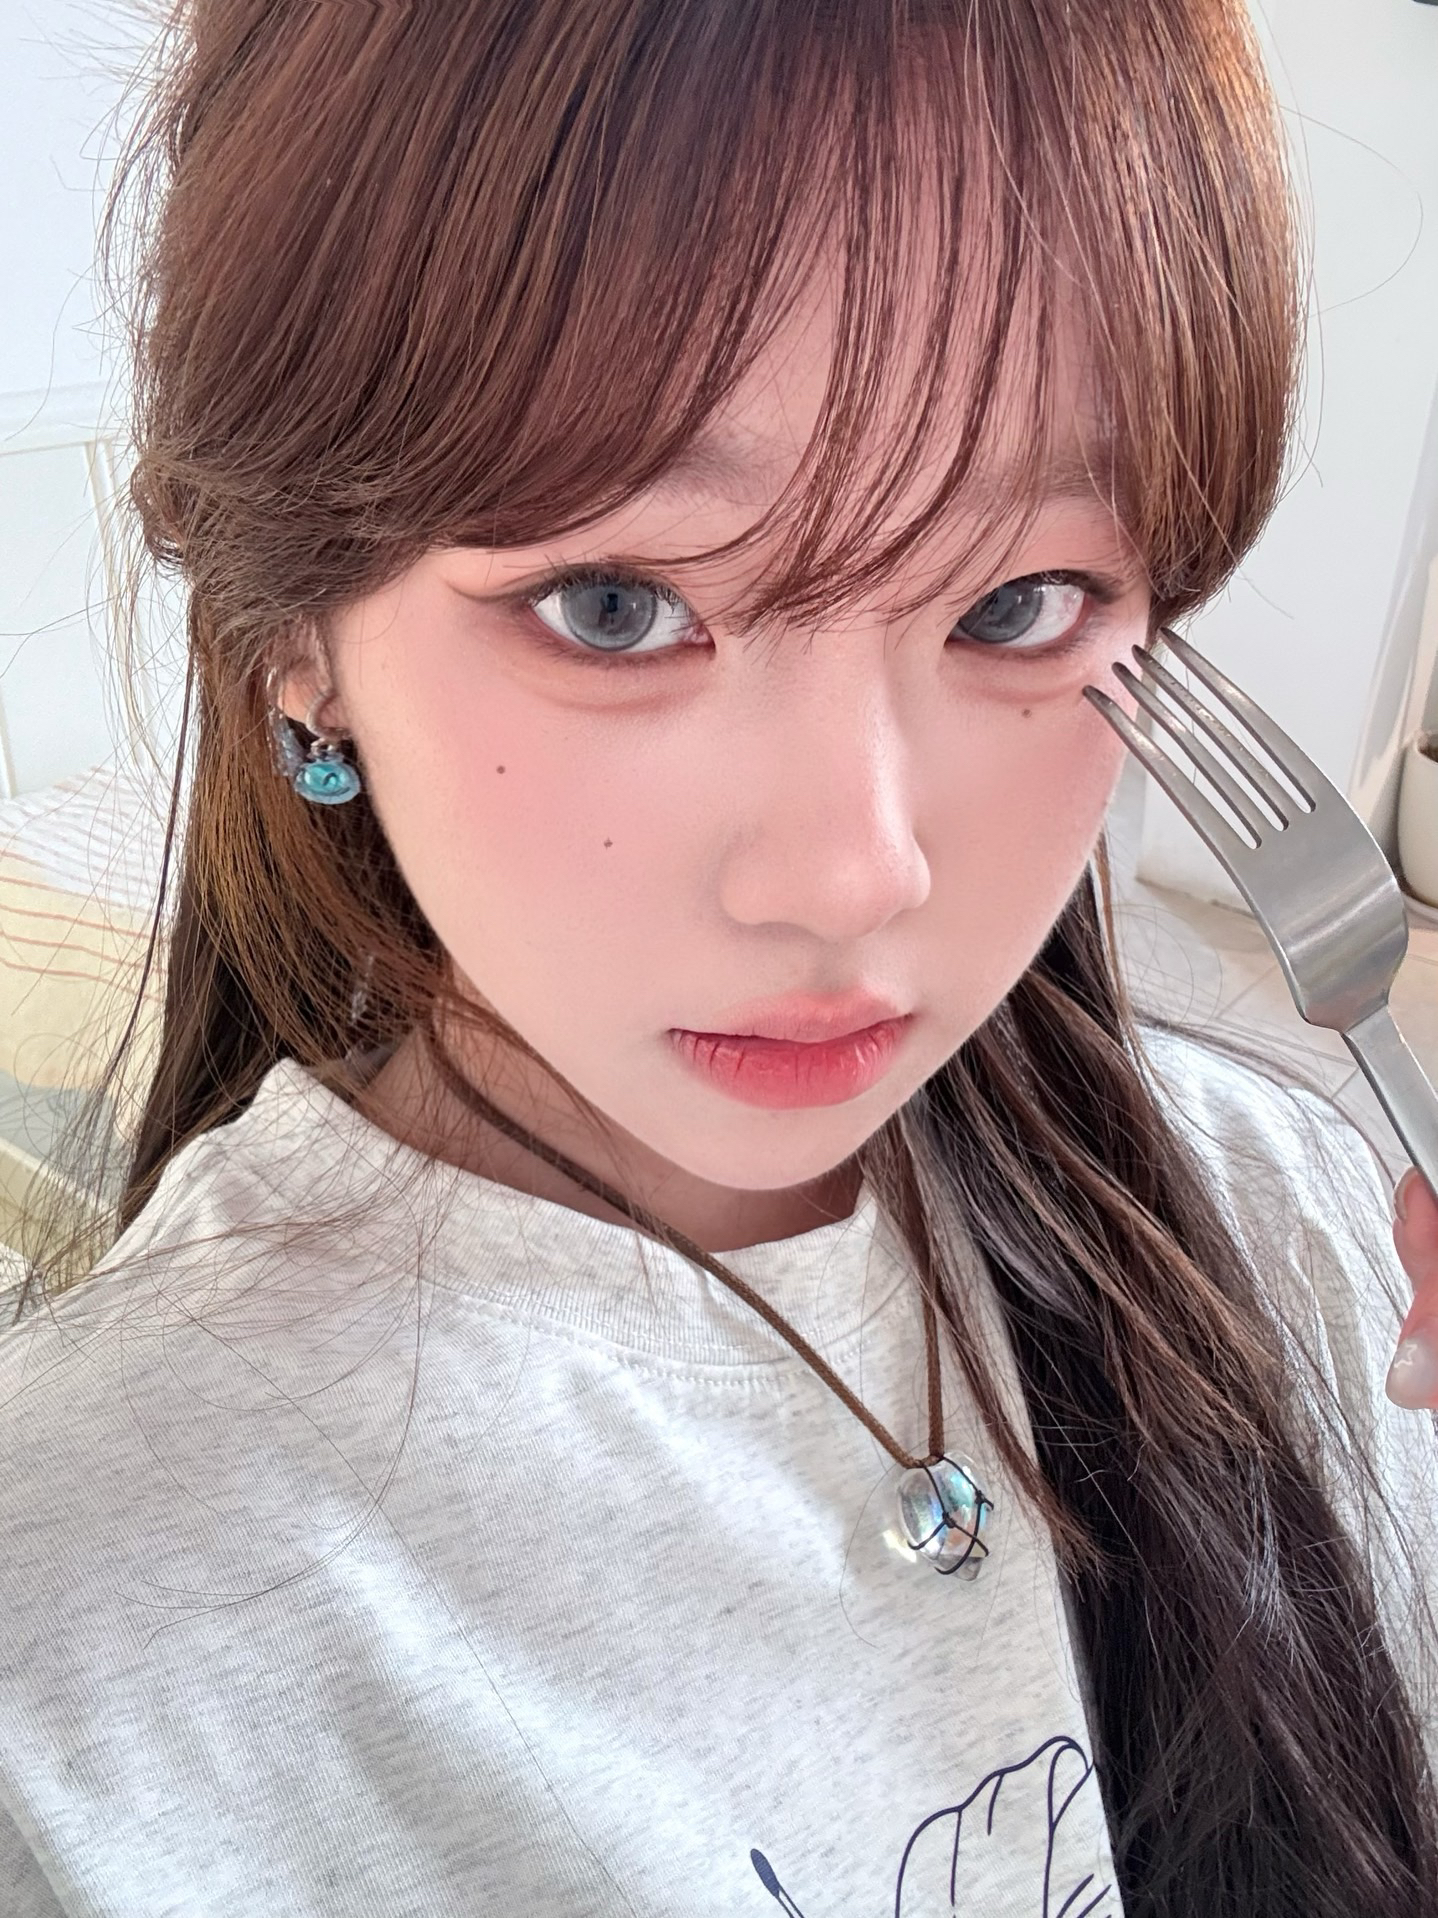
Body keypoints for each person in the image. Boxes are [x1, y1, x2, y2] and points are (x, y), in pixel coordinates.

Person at [1, 0, 1436, 1911]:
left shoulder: (1295, 1219)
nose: (854, 873)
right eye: (616, 607)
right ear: (297, 638)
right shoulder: (92, 1634)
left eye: (1018, 601)